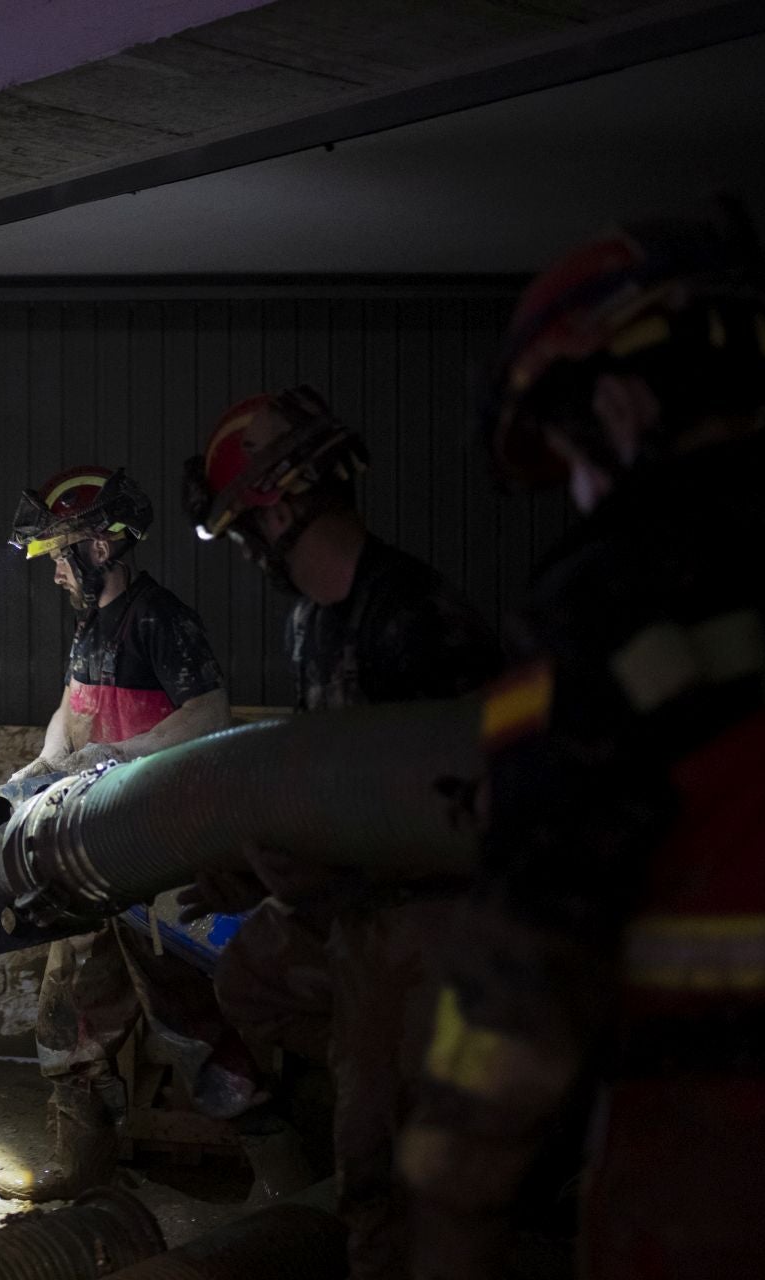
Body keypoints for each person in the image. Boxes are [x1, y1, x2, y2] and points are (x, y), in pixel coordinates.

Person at [399, 219, 765, 1279]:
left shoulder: (610, 608)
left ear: (620, 403)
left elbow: (517, 984)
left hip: (723, 1195)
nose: (576, 489)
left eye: (571, 456)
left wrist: (447, 1212)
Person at [181, 387, 501, 1277]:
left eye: (244, 529)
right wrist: (251, 866)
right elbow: (322, 782)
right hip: (357, 919)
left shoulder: (416, 621)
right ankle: (339, 1144)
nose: (249, 552)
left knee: (402, 1193)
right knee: (251, 977)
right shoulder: (311, 626)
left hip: (437, 933)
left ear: (278, 505)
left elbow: (469, 821)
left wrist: (322, 873)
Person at [0, 466, 249, 1202]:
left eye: (61, 553)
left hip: (157, 853)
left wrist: (119, 754)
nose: (56, 571)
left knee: (190, 1024)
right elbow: (73, 718)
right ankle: (83, 1173)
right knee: (66, 1018)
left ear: (100, 546)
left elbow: (211, 712)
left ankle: (282, 1175)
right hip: (89, 854)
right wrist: (33, 774)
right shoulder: (92, 626)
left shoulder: (162, 618)